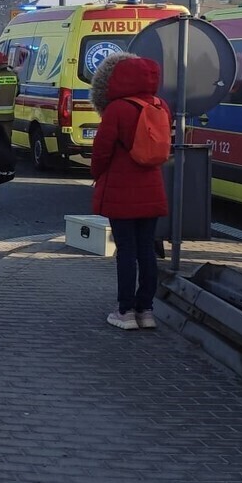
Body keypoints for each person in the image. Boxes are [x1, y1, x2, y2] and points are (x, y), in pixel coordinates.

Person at [90, 52, 171, 331]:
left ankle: (124, 311)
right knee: (147, 250)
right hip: (153, 189)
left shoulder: (118, 109)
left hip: (122, 191)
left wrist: (96, 174)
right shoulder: (161, 106)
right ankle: (146, 310)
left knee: (126, 251)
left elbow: (101, 151)